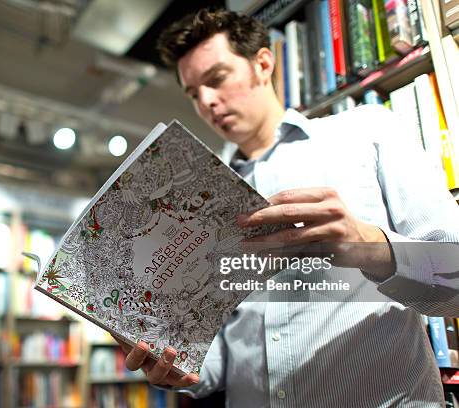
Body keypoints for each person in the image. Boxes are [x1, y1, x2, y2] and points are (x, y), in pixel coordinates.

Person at [112, 8, 459, 407]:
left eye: (217, 79)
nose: (207, 101)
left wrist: (372, 246)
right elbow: (220, 363)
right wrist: (175, 368)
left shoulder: (366, 132)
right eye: (193, 93)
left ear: (263, 63)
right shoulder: (193, 203)